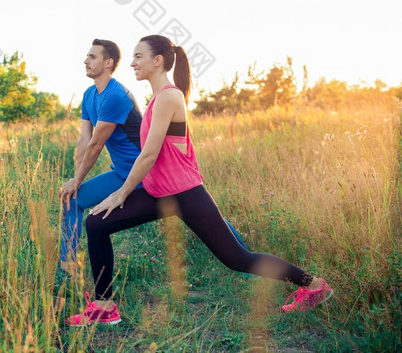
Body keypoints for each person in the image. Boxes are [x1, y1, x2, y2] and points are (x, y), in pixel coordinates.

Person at [65, 35, 333, 326]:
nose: (131, 62)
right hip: (159, 193)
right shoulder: (156, 99)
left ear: (158, 61)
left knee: (236, 258)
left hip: (185, 193)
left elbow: (149, 154)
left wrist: (121, 193)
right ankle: (105, 308)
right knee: (96, 223)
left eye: (138, 56)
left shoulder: (169, 96)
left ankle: (314, 285)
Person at [58, 39, 143, 275]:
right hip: (121, 173)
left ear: (108, 63)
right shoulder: (89, 94)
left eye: (92, 57)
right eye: (87, 56)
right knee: (72, 199)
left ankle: (243, 255)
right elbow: (84, 140)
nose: (85, 60)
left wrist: (76, 180)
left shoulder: (116, 96)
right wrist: (76, 180)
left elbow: (96, 145)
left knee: (194, 209)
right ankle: (66, 271)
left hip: (145, 174)